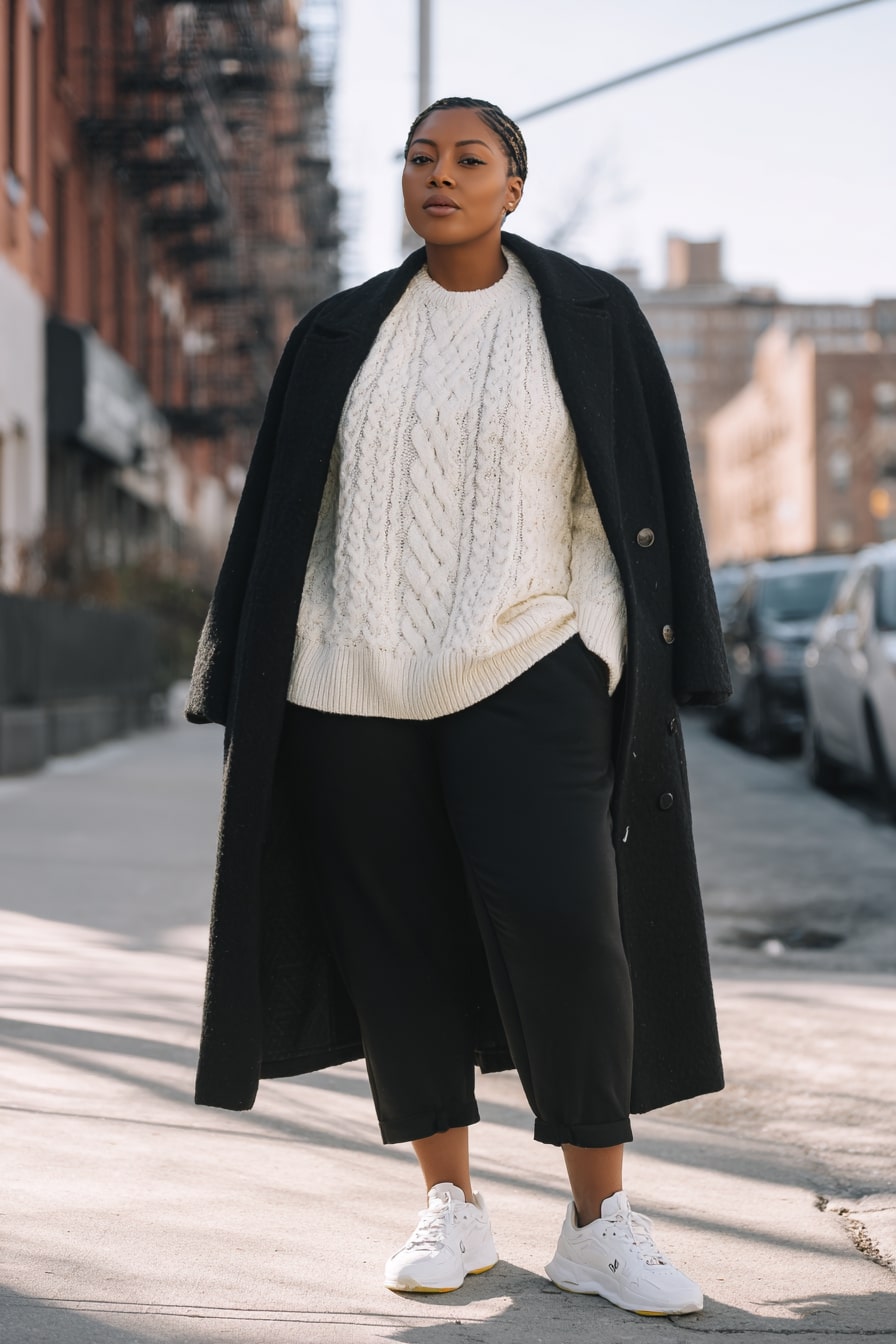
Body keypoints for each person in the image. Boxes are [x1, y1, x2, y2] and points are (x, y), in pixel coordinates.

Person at [185, 96, 732, 1319]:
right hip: (346, 682)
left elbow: (622, 497)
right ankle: (451, 1203)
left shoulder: (587, 317)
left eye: (468, 159)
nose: (440, 175)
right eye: (421, 157)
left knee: (566, 925)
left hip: (526, 660)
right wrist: (280, 657)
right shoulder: (338, 331)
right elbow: (288, 516)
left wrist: (588, 649)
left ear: (510, 189)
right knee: (399, 938)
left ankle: (601, 1218)